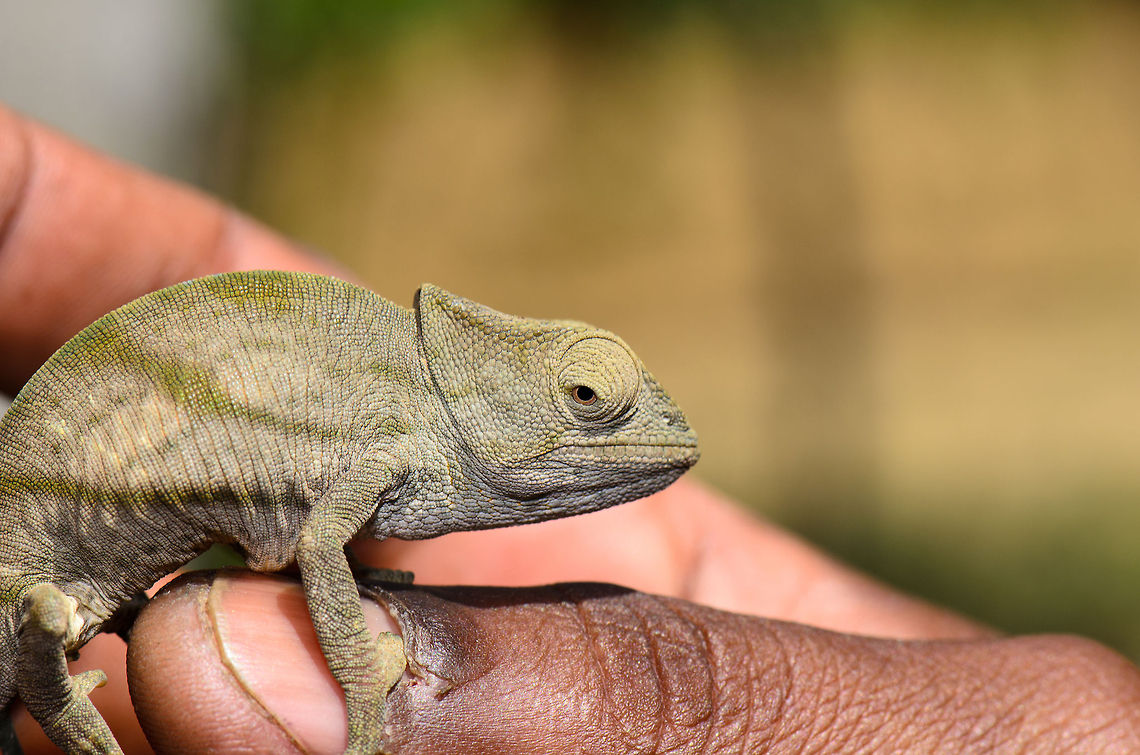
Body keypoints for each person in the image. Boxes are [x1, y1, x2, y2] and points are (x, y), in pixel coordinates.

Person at [1, 104, 1137, 753]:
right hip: (42, 543)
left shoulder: (411, 410)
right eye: (584, 401)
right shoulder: (406, 421)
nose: (612, 430)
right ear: (488, 380)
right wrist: (360, 676)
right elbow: (323, 534)